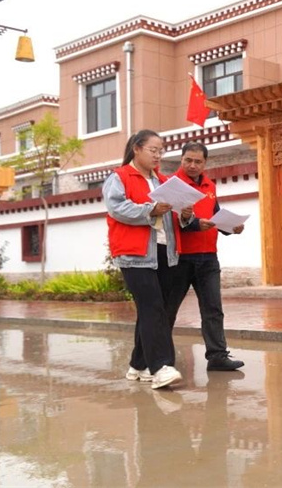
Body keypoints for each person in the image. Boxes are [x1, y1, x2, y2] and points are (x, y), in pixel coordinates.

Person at [104, 129, 184, 390]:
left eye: (161, 151)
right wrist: (151, 209)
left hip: (163, 251)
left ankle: (138, 365)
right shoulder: (119, 177)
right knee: (153, 308)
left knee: (154, 309)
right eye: (153, 150)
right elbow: (118, 208)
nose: (158, 155)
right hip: (134, 254)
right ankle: (161, 367)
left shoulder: (163, 181)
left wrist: (185, 213)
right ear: (136, 149)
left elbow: (172, 216)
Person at [167, 141, 245, 371]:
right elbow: (171, 220)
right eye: (188, 160)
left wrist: (232, 227)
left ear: (205, 163)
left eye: (198, 161)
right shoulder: (172, 184)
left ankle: (217, 356)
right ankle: (160, 357)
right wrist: (194, 224)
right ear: (181, 159)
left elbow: (215, 214)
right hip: (180, 257)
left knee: (213, 309)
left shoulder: (209, 185)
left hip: (208, 257)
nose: (193, 165)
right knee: (168, 309)